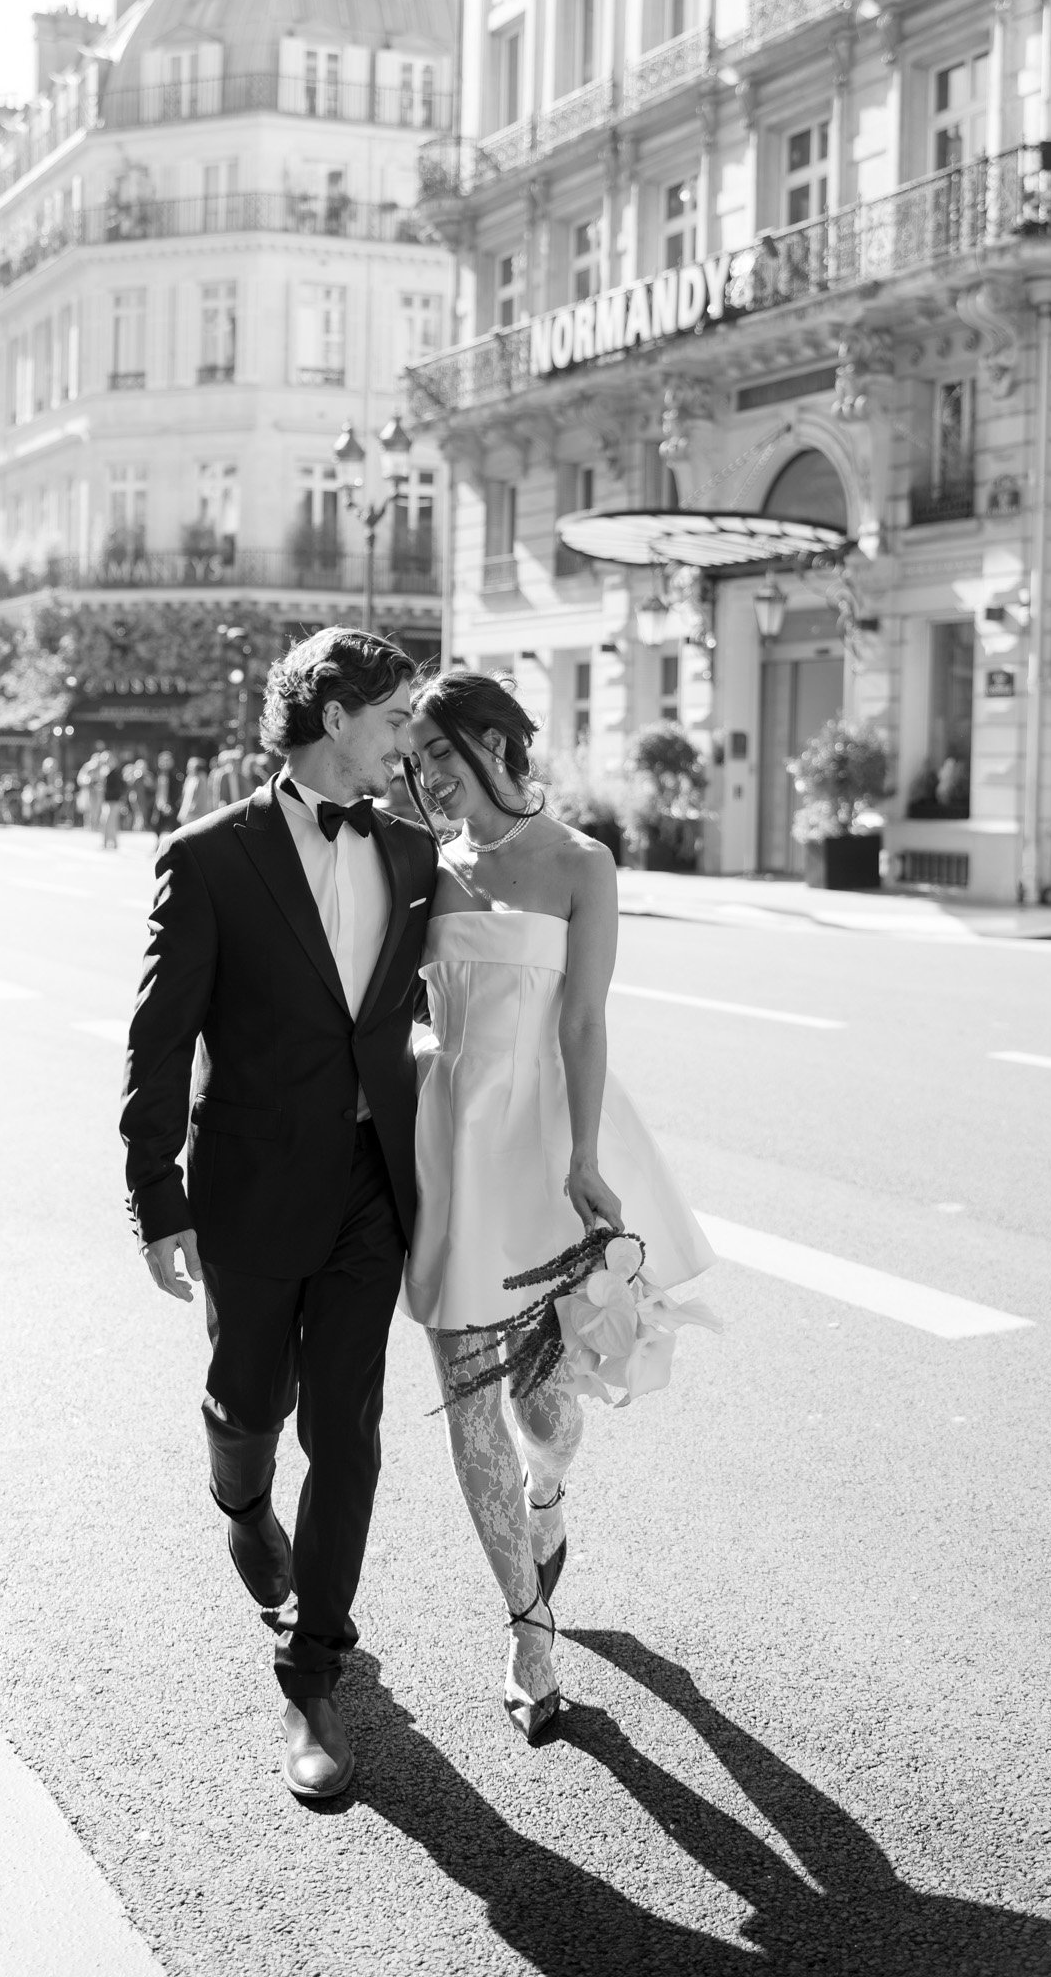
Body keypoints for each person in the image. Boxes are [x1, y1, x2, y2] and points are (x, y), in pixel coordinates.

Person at [120, 629, 436, 1803]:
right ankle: (240, 1495)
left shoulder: (412, 849)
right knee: (251, 1397)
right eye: (395, 715)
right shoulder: (210, 855)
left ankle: (313, 1672)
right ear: (338, 711)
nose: (404, 738)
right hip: (249, 1182)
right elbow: (160, 1037)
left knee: (347, 1431)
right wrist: (158, 1196)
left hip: (369, 1187)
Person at [402, 671, 714, 1744]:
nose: (429, 774)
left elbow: (584, 1020)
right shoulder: (424, 866)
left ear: (494, 740)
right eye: (418, 761)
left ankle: (549, 1496)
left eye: (442, 752)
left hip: (542, 1143)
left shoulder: (582, 864)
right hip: (451, 1140)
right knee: (463, 1390)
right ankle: (528, 1628)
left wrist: (583, 1154)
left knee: (542, 1400)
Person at [100, 751, 126, 848]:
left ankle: (111, 843)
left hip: (114, 801)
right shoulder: (106, 772)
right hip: (108, 801)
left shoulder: (115, 773)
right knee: (107, 822)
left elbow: (119, 788)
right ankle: (109, 842)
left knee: (110, 822)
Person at [176, 755, 210, 826]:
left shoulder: (201, 778)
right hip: (187, 811)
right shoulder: (189, 778)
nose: (188, 768)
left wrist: (194, 807)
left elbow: (201, 795)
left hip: (196, 812)